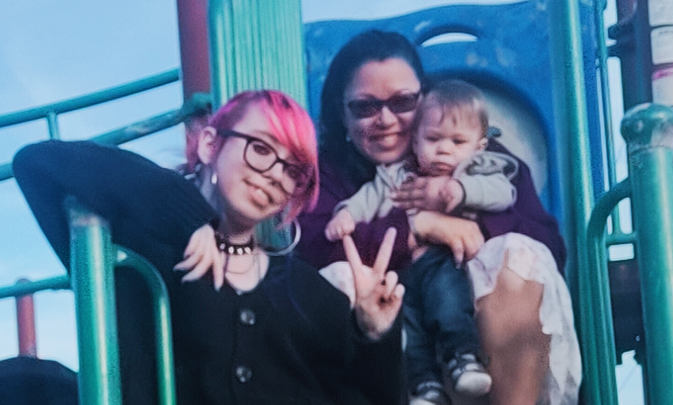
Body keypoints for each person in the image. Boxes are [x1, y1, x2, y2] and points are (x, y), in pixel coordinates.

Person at [13, 90, 407, 405]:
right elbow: (38, 163)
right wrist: (188, 217)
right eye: (261, 148)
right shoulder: (141, 256)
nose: (275, 174)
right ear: (209, 145)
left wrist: (375, 337)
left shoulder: (306, 293)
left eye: (293, 170)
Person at [295, 29, 581, 405]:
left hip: (486, 349)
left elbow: (547, 242)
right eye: (365, 106)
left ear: (424, 97)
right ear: (341, 113)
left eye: (402, 101)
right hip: (388, 355)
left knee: (521, 253)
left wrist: (470, 222)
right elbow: (314, 248)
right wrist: (417, 227)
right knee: (341, 278)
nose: (385, 119)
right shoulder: (327, 175)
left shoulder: (477, 155)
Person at [324, 79, 520, 403]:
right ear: (415, 141)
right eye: (433, 139)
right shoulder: (399, 175)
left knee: (449, 305)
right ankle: (425, 387)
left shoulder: (475, 170)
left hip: (445, 262)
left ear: (478, 147)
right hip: (402, 268)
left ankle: (464, 358)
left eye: (458, 141)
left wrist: (463, 191)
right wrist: (346, 214)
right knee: (407, 326)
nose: (444, 149)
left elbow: (504, 193)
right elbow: (370, 197)